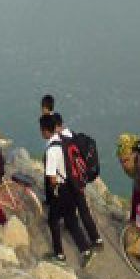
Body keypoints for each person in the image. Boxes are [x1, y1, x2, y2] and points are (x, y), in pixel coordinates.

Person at [40, 114, 93, 266]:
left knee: (53, 220)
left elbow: (51, 177)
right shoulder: (65, 141)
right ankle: (86, 250)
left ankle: (59, 255)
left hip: (61, 189)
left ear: (45, 131)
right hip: (73, 186)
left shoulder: (51, 150)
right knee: (71, 220)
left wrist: (54, 190)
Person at [52, 113, 103, 248]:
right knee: (83, 210)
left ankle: (83, 245)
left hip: (70, 181)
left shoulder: (62, 141)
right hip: (81, 178)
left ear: (56, 126)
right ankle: (96, 239)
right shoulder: (73, 134)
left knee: (73, 210)